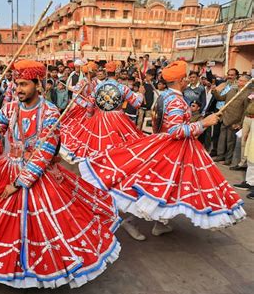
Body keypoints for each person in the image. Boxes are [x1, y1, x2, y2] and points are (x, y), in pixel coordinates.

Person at [0, 59, 120, 288]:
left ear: (38, 85)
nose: (18, 89)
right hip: (8, 166)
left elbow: (45, 152)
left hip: (36, 175)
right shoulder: (10, 108)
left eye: (24, 84)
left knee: (45, 228)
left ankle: (37, 271)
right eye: (17, 84)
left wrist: (18, 183)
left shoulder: (50, 112)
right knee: (1, 223)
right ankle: (8, 266)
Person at [79, 60, 245, 241]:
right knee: (154, 187)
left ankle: (160, 222)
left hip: (165, 145)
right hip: (171, 147)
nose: (187, 81)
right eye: (185, 78)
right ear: (181, 80)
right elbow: (175, 130)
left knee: (169, 187)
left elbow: (157, 119)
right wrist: (204, 123)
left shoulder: (165, 95)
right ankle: (132, 221)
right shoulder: (174, 100)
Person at [60, 61, 145, 164]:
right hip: (118, 118)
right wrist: (141, 93)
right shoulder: (123, 88)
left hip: (100, 117)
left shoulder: (97, 87)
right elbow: (137, 103)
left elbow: (91, 103)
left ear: (106, 73)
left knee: (97, 142)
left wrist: (89, 116)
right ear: (117, 73)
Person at [213, 74, 251, 166]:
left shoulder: (248, 94)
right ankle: (220, 156)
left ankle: (228, 160)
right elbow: (221, 98)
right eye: (239, 80)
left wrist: (240, 123)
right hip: (224, 118)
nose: (239, 82)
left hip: (234, 121)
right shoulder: (232, 90)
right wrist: (215, 91)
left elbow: (246, 111)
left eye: (242, 81)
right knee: (222, 140)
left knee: (230, 142)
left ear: (247, 82)